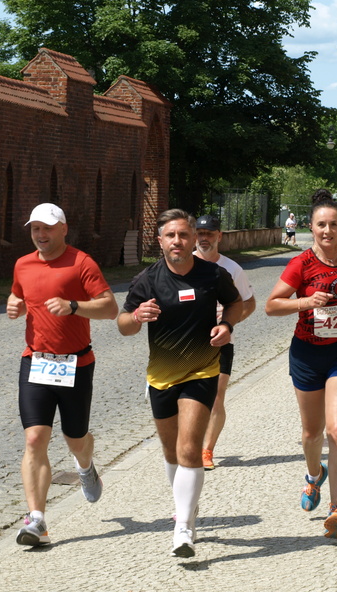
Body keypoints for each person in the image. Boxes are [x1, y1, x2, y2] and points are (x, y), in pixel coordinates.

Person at [117, 209, 242, 558]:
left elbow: (235, 304)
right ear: (160, 241)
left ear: (192, 239)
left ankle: (183, 527)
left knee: (190, 449)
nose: (178, 241)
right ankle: (187, 507)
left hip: (202, 371)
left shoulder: (212, 274)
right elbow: (123, 324)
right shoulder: (148, 279)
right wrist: (137, 317)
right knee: (171, 452)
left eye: (184, 235)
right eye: (170, 236)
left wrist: (227, 326)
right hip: (161, 376)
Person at [7, 203, 119, 547]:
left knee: (75, 438)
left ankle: (85, 466)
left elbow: (111, 307)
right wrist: (14, 304)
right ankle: (36, 520)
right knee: (34, 439)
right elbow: (19, 293)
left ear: (63, 229)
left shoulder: (81, 263)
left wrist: (74, 306)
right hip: (36, 362)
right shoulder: (23, 264)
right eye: (35, 229)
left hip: (76, 364)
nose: (41, 235)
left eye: (48, 228)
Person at [265, 190, 337, 539]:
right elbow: (272, 305)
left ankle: (336, 510)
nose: (327, 231)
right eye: (321, 225)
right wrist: (307, 301)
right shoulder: (301, 264)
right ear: (311, 228)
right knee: (312, 433)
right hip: (308, 354)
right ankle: (314, 475)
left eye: (333, 225)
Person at [193, 214, 256, 470]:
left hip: (220, 343)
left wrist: (228, 325)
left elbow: (249, 303)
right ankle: (188, 444)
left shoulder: (232, 269)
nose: (203, 238)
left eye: (209, 234)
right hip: (187, 342)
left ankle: (206, 450)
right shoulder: (182, 265)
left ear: (219, 236)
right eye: (199, 233)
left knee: (216, 397)